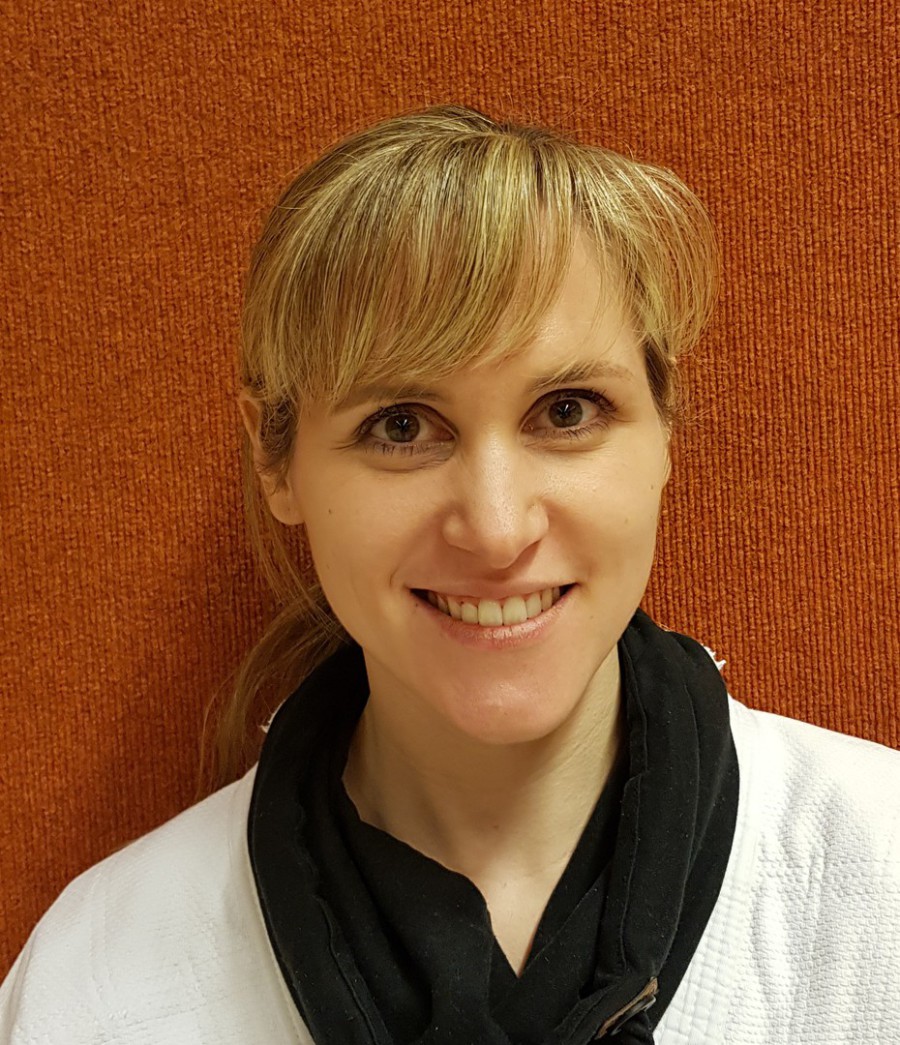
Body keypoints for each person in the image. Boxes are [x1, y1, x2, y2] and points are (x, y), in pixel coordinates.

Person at [1, 105, 898, 1045]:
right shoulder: (94, 983)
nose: (498, 529)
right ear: (277, 462)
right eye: (401, 426)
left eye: (566, 410)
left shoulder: (882, 876)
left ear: (665, 429)